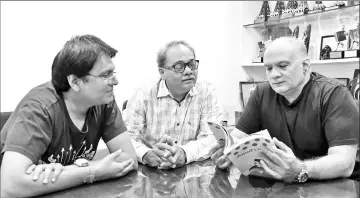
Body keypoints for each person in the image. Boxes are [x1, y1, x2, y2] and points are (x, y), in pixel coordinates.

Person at [1, 34, 138, 197]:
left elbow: (129, 159)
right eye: (105, 75)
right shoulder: (38, 108)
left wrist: (69, 172)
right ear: (74, 81)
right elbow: (11, 186)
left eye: (113, 72)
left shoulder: (104, 102)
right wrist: (92, 171)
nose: (114, 81)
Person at [210, 37, 359, 183]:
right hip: (281, 184)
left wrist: (301, 169)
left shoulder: (334, 94)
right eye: (269, 68)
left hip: (333, 186)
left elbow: (345, 163)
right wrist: (227, 151)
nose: (274, 75)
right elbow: (238, 137)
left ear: (305, 66)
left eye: (283, 66)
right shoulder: (261, 93)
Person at [124, 40, 223, 169]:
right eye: (179, 66)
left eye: (192, 64)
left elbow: (212, 138)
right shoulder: (143, 93)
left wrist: (184, 153)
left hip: (193, 171)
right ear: (162, 72)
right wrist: (146, 154)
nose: (188, 71)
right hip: (150, 174)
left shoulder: (207, 92)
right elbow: (127, 138)